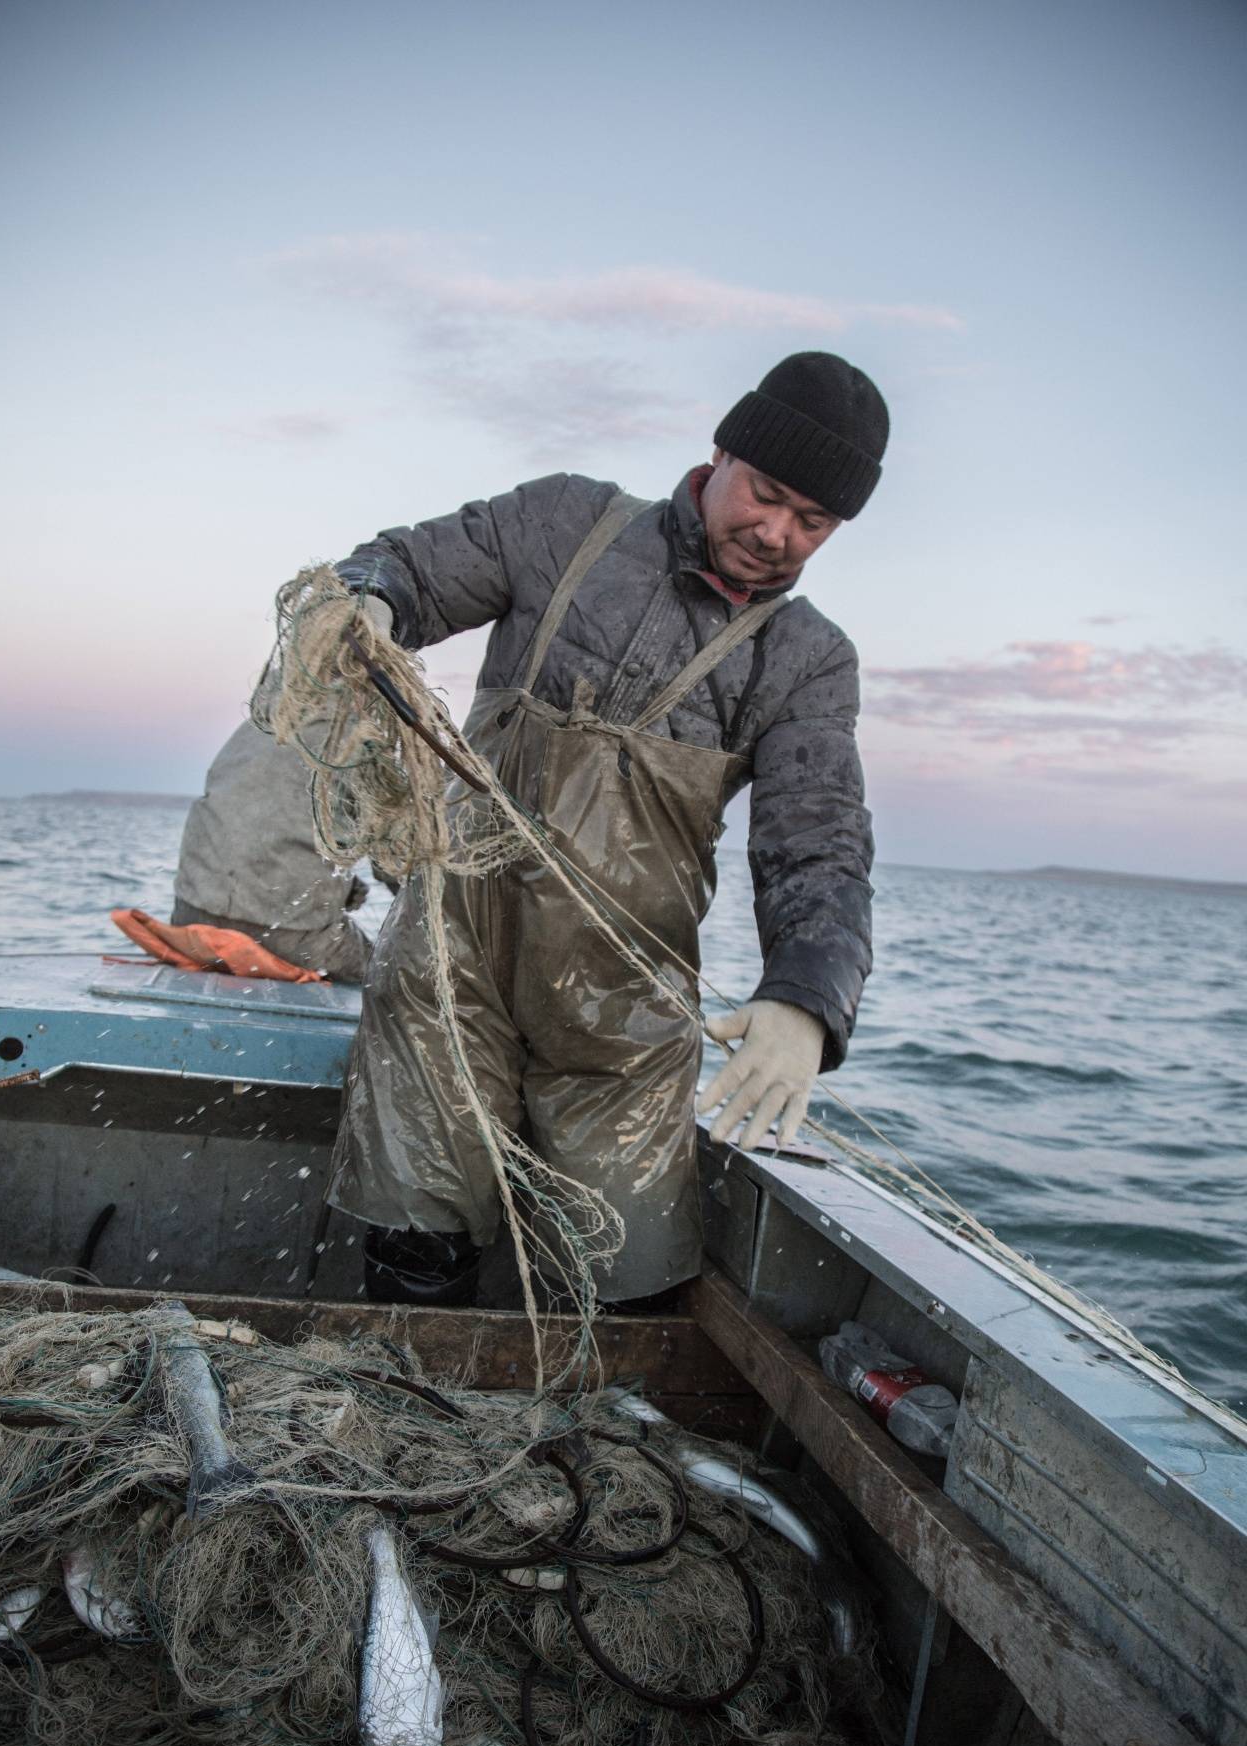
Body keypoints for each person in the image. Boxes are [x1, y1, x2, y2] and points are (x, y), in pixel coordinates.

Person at [325, 351, 885, 1307]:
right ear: (722, 453)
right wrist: (369, 600)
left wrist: (808, 999)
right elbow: (404, 567)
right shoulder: (565, 520)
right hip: (447, 969)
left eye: (813, 522)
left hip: (622, 1019)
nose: (777, 533)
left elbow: (818, 843)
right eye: (768, 494)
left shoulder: (808, 660)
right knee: (416, 1252)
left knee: (621, 1284)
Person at [172, 719, 374, 982]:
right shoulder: (360, 735)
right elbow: (398, 864)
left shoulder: (255, 724)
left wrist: (346, 888)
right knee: (387, 978)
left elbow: (264, 836)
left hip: (190, 917)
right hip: (291, 936)